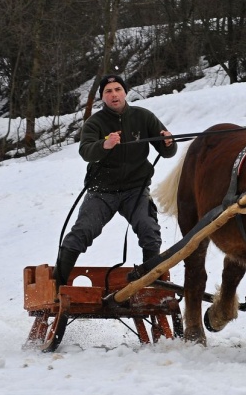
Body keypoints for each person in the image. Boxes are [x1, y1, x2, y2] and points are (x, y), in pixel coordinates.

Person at [54, 75, 177, 288]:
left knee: (149, 230)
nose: (114, 94)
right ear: (103, 97)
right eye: (108, 91)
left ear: (125, 92)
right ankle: (58, 285)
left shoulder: (143, 117)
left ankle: (152, 284)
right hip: (102, 190)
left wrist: (168, 142)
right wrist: (105, 145)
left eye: (117, 89)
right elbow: (86, 152)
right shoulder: (94, 123)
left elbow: (167, 151)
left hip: (135, 190)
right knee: (82, 232)